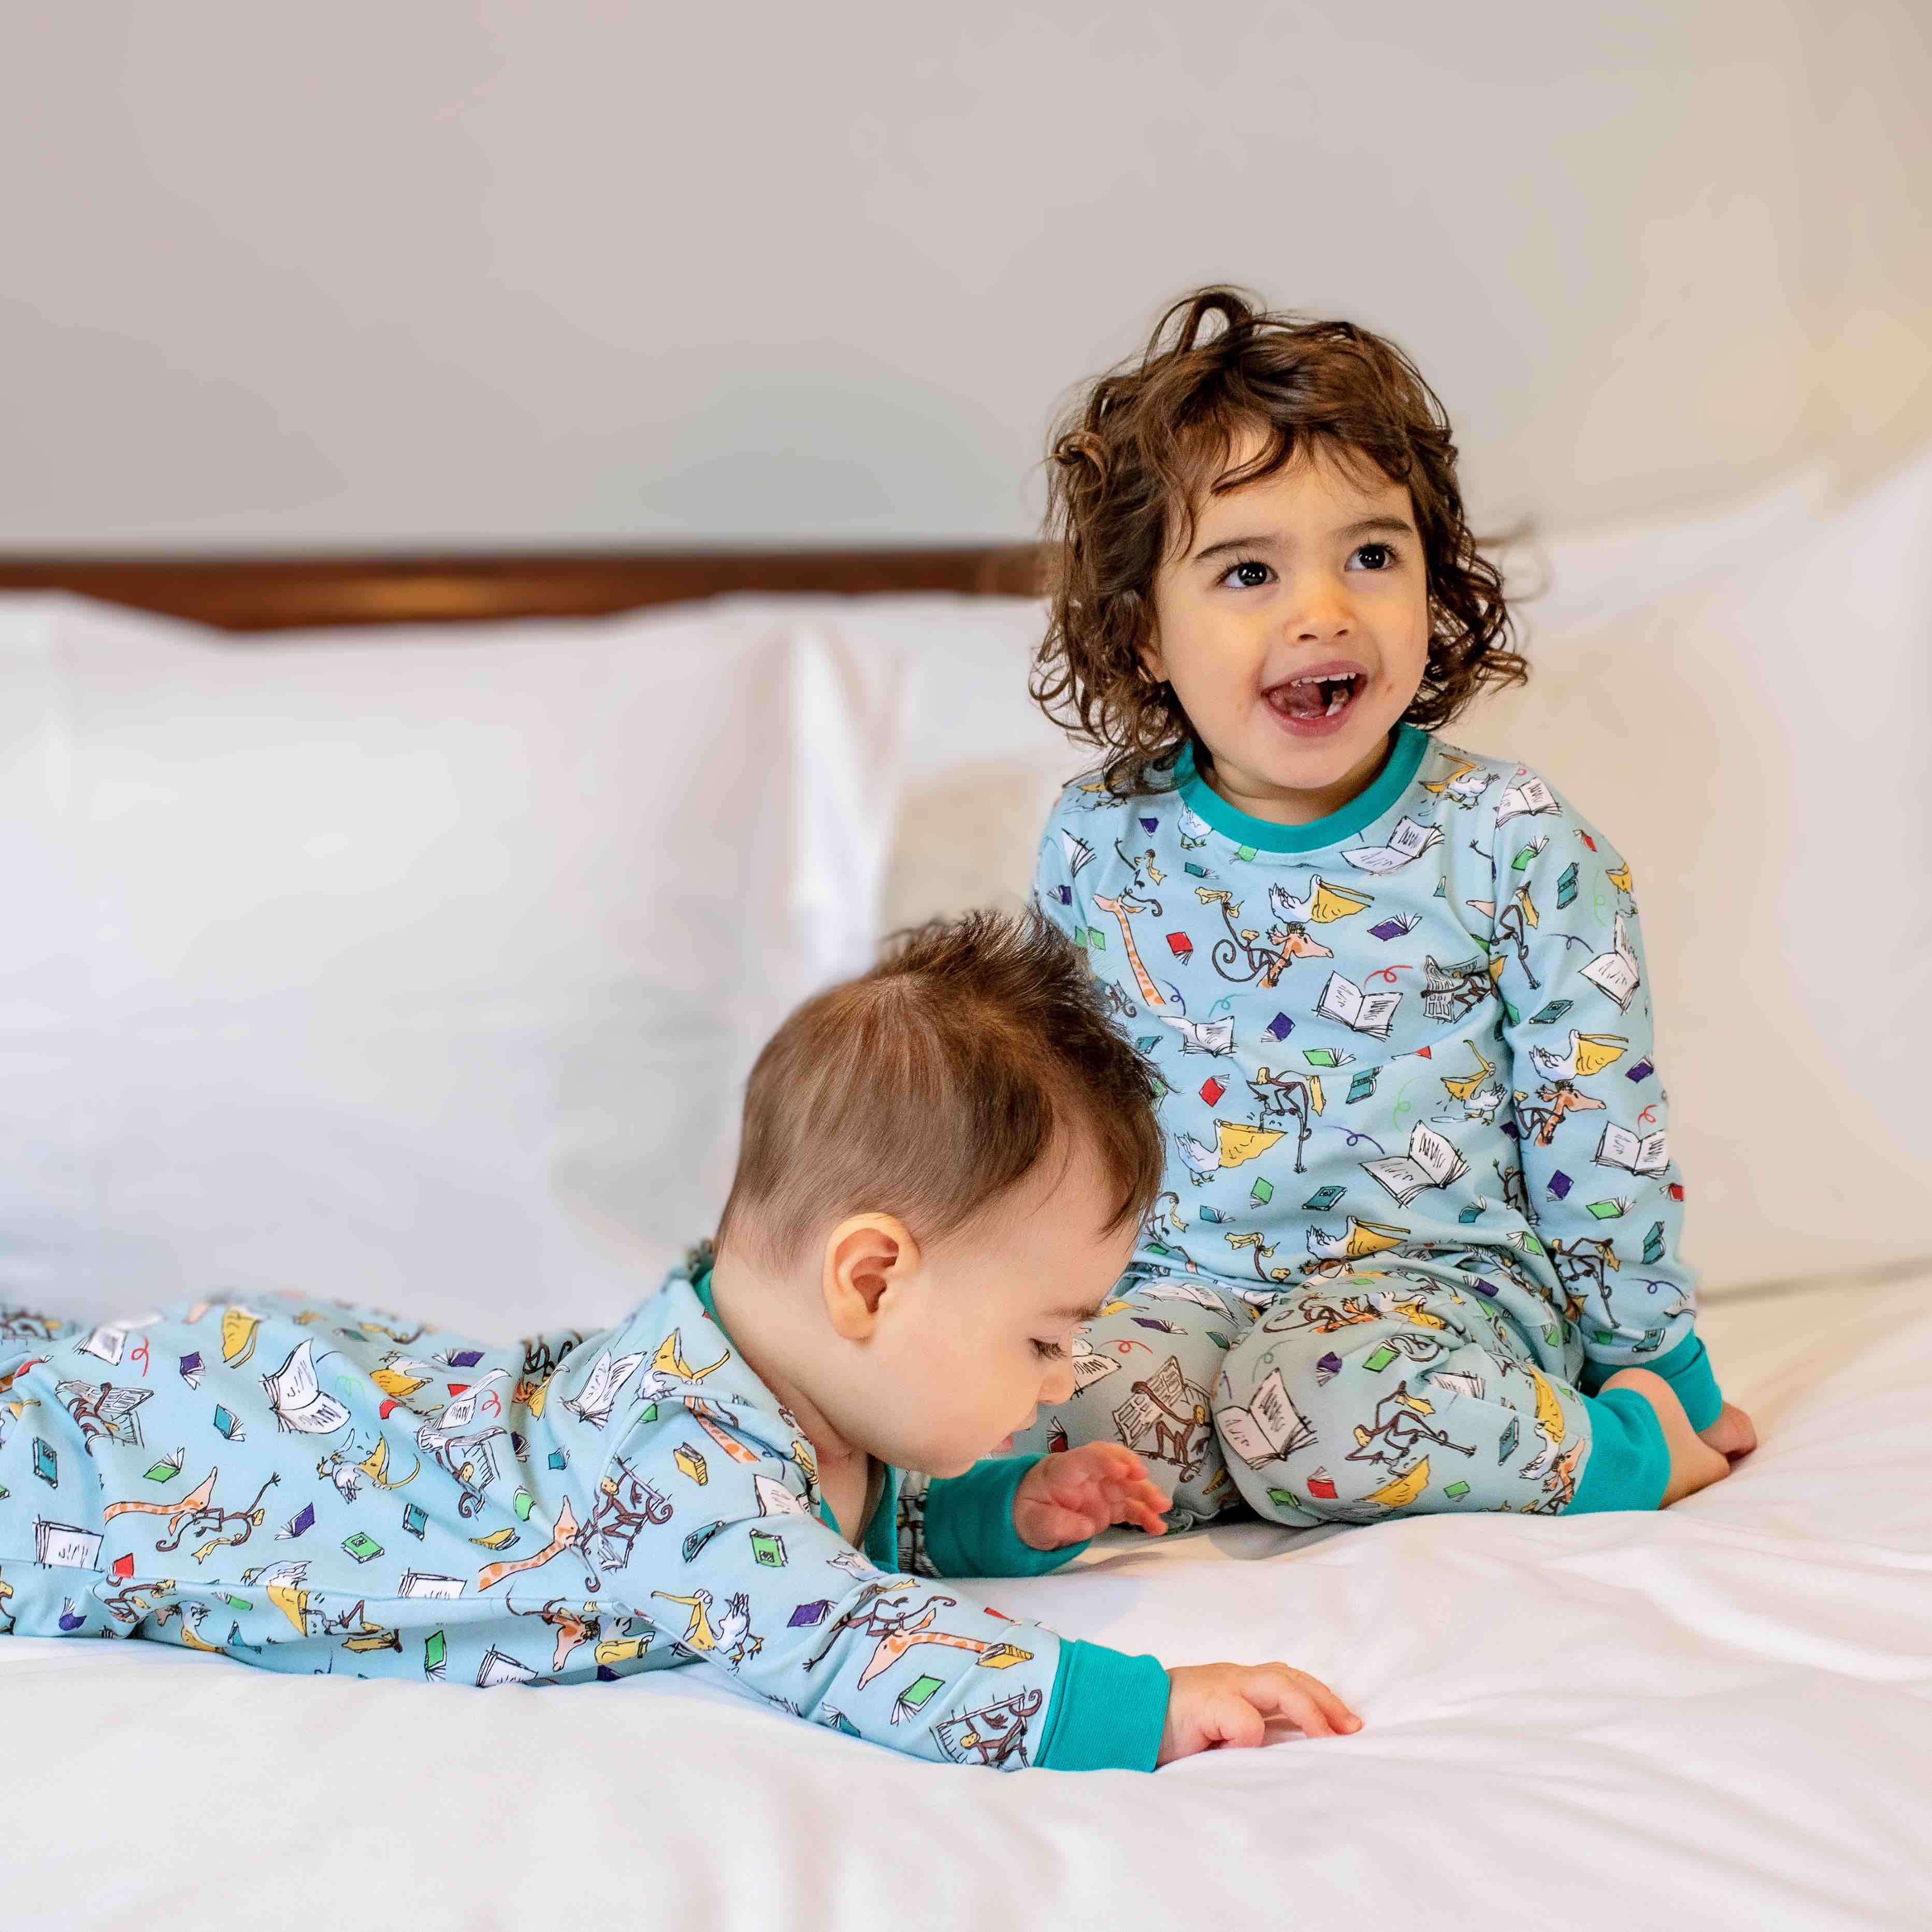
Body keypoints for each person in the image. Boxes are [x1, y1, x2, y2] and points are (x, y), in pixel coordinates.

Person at [0, 906, 1359, 1772]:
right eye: (1045, 1339)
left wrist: (994, 1515)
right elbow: (844, 1637)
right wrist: (1143, 1709)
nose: (1065, 1380)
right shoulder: (677, 1454)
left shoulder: (783, 1409)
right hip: (163, 1461)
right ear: (872, 1281)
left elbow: (833, 1528)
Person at [1009, 285, 1757, 1531]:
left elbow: (1595, 1134)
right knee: (1030, 1419)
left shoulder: (1517, 844)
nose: (1323, 608)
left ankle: (1614, 1450)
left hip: (1434, 1293)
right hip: (1181, 1285)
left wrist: (1658, 1371)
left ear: (1432, 580)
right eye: (1247, 569)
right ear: (1144, 633)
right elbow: (1057, 1106)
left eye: (1370, 554)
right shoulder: (1100, 839)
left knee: (1320, 1406)